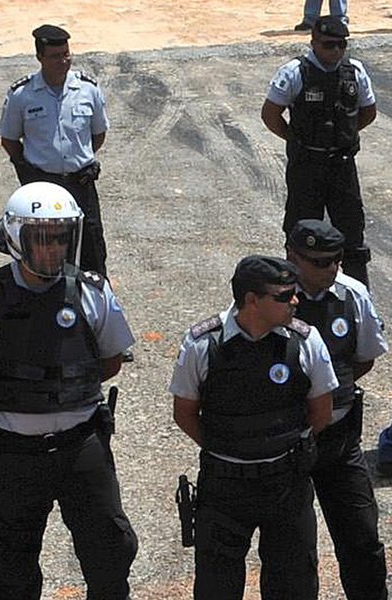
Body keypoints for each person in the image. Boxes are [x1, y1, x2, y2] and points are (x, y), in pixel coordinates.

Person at [0, 182, 137, 600]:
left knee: (109, 553)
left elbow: (112, 359)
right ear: (17, 238)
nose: (53, 249)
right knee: (13, 565)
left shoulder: (91, 291)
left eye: (60, 237)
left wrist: (66, 390)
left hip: (82, 447)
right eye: (41, 238)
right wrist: (10, 396)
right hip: (16, 453)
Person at [170, 255, 337, 600]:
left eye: (294, 292)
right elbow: (184, 413)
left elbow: (321, 412)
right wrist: (228, 447)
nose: (295, 300)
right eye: (284, 295)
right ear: (251, 300)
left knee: (294, 584)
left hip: (286, 485)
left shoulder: (306, 342)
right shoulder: (203, 344)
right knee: (217, 586)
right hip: (225, 488)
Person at [284, 219, 388, 600]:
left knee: (362, 541)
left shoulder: (352, 295)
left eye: (336, 260)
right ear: (293, 259)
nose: (331, 269)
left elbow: (363, 360)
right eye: (320, 262)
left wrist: (328, 396)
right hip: (290, 444)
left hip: (340, 442)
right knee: (294, 553)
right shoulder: (270, 296)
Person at [261, 16, 377, 287]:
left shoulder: (354, 72)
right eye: (328, 45)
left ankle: (359, 301)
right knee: (301, 234)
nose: (335, 51)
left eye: (341, 44)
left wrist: (346, 135)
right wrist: (295, 139)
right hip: (307, 167)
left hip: (342, 165)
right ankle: (295, 298)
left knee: (352, 237)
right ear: (314, 43)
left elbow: (368, 112)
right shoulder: (294, 73)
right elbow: (270, 114)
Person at [0, 24, 110, 277]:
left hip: (81, 184)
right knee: (44, 252)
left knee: (92, 249)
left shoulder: (87, 89)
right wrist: (27, 171)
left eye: (66, 54)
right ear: (40, 58)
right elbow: (10, 139)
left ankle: (97, 307)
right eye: (55, 56)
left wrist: (78, 158)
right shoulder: (22, 95)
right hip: (42, 186)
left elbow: (98, 133)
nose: (63, 61)